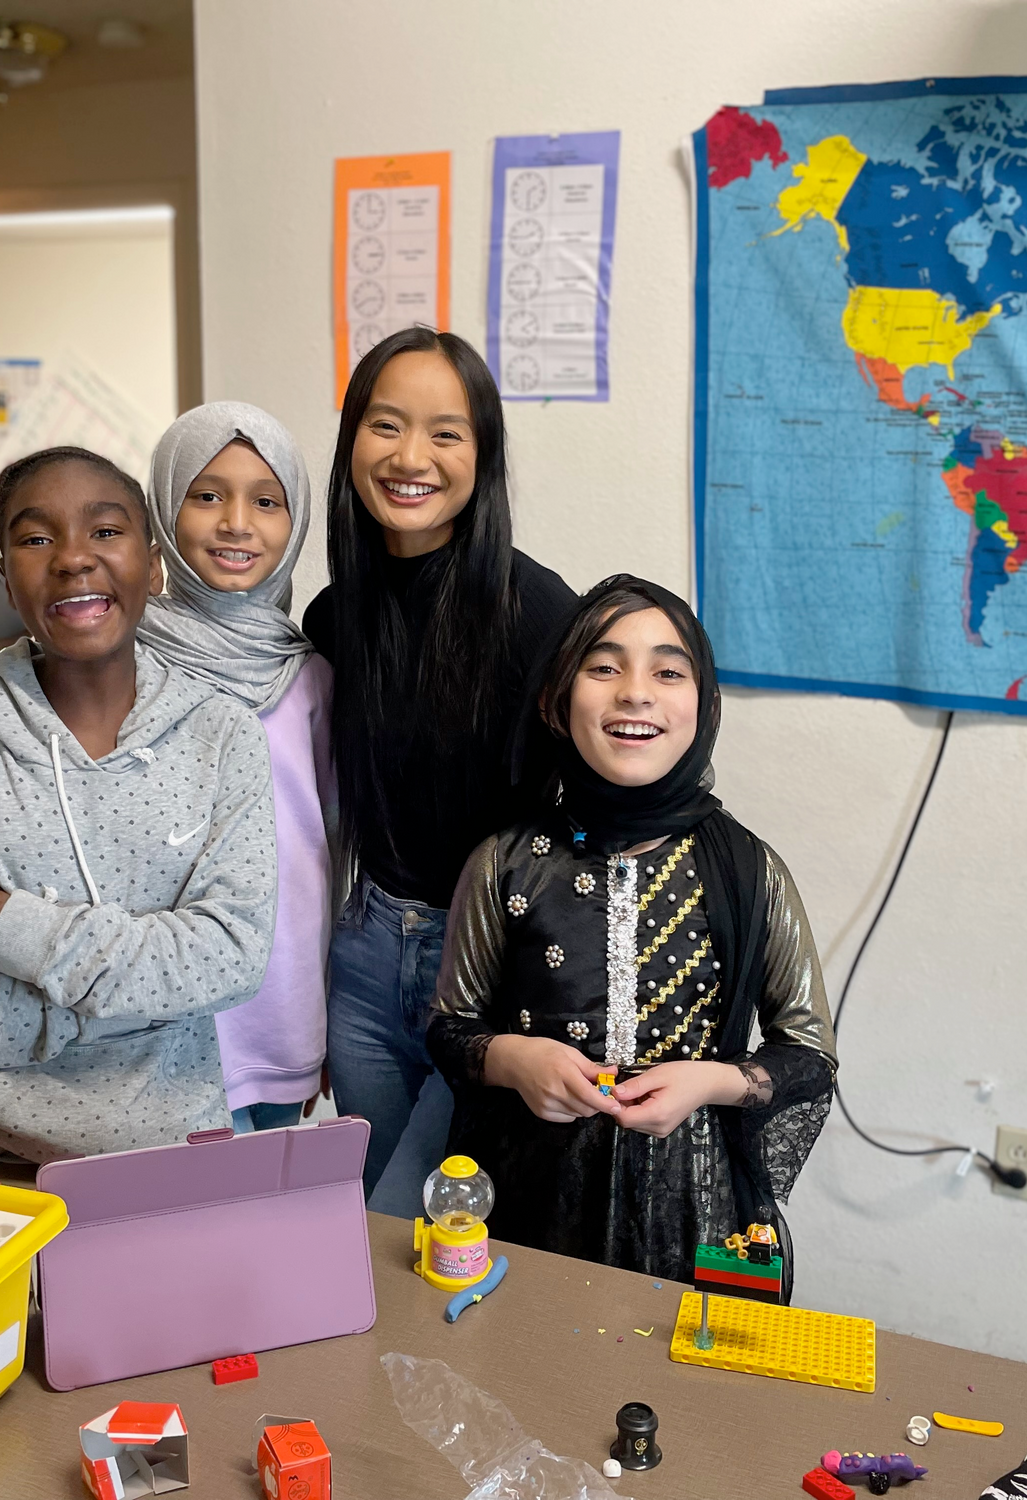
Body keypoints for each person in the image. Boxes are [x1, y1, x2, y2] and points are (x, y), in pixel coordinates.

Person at [0, 445, 277, 1172]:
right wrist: (120, 1013)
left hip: (163, 1151)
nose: (74, 558)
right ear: (4, 575)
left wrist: (3, 929)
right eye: (35, 538)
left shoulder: (222, 733)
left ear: (154, 565)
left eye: (106, 531)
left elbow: (231, 958)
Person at [425, 575, 836, 1281]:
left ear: (705, 705)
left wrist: (712, 1081)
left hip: (699, 1207)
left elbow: (810, 1055)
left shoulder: (749, 870)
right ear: (556, 701)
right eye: (604, 667)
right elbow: (449, 1027)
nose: (636, 693)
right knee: (523, 1347)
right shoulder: (504, 863)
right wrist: (513, 1060)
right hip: (529, 1197)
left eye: (668, 672)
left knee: (687, 1353)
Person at [305, 328, 578, 1203]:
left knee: (419, 1220)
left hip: (489, 965)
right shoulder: (334, 616)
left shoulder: (539, 612)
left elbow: (606, 791)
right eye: (385, 425)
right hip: (365, 953)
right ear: (352, 439)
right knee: (379, 1219)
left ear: (482, 455)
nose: (410, 457)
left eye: (445, 433)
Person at [138, 402, 333, 1132]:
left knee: (269, 1193)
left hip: (280, 1003)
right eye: (207, 494)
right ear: (164, 508)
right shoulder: (120, 661)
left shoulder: (311, 676)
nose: (237, 523)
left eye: (266, 501)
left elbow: (333, 849)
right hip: (157, 1008)